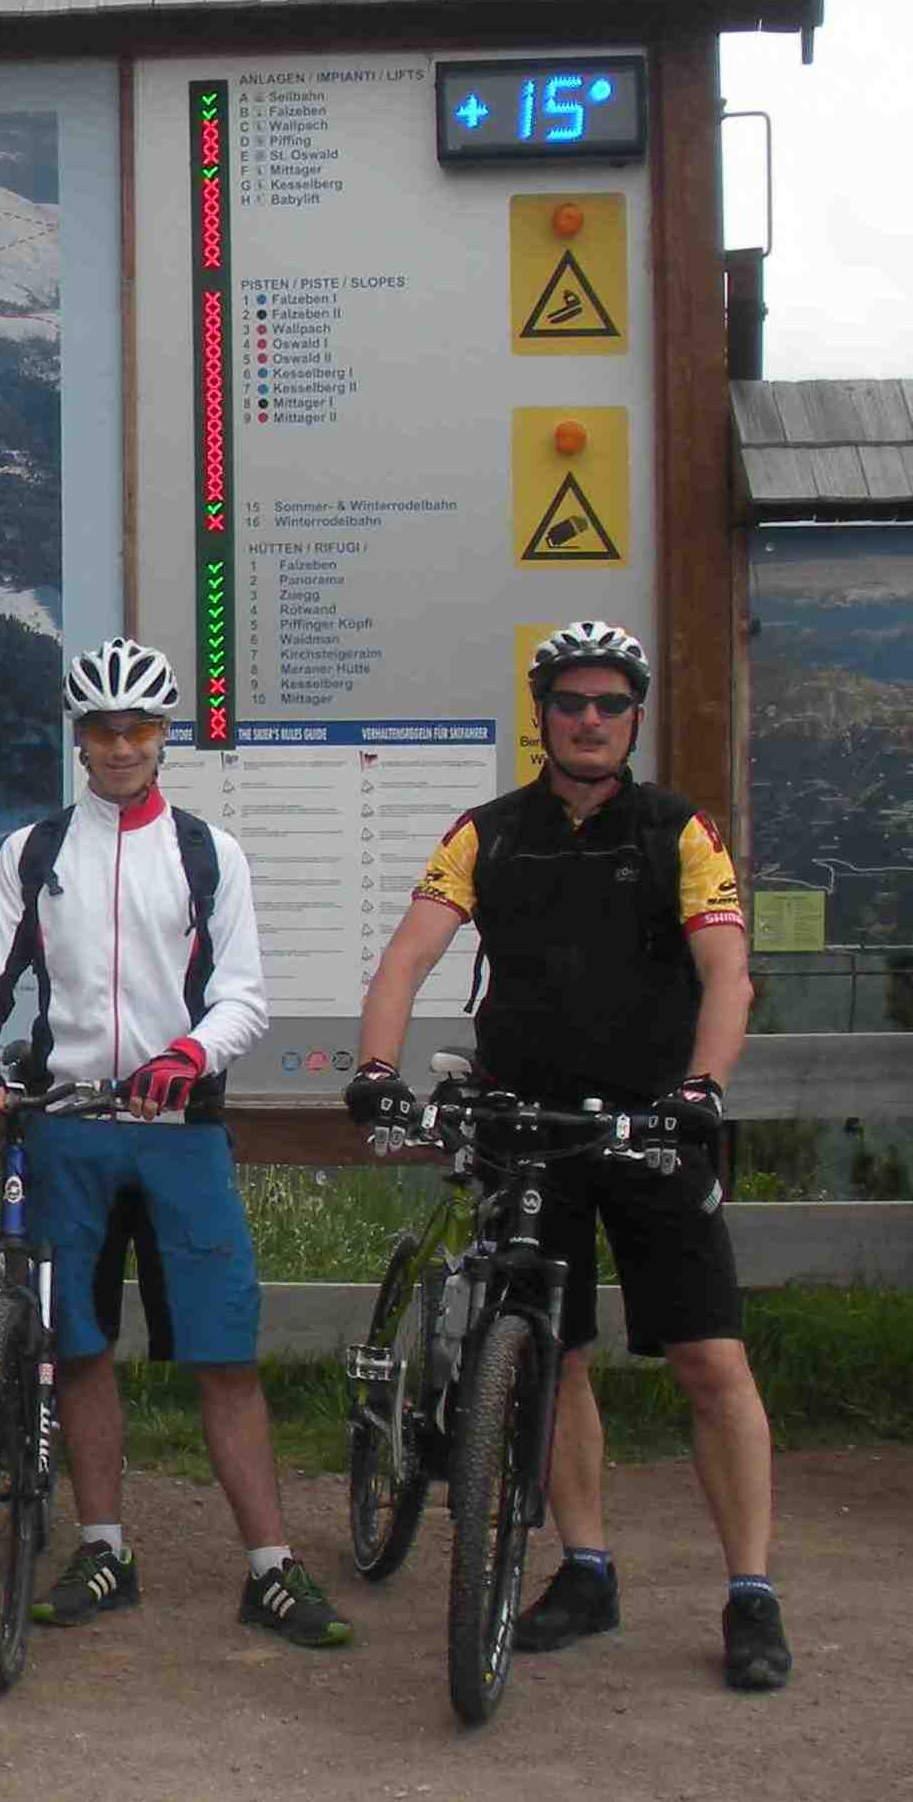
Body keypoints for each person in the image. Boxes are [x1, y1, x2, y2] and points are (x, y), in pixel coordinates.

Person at [348, 619, 787, 1691]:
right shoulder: (486, 831)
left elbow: (726, 969)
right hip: (521, 1127)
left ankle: (750, 1590)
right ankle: (585, 1568)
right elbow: (409, 953)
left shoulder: (678, 829)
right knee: (555, 1354)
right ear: (541, 714)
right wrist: (372, 1063)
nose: (590, 719)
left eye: (610, 703)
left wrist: (703, 1090)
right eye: (570, 702)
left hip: (648, 1126)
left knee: (709, 1360)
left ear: (632, 717)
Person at [0, 636, 352, 1649]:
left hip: (178, 1131)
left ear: (163, 734)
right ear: (78, 737)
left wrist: (190, 1050)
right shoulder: (33, 852)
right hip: (67, 1127)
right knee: (76, 1350)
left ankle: (270, 1564)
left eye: (137, 726)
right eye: (100, 728)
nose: (119, 744)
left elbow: (244, 993)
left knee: (223, 1353)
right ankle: (103, 1545)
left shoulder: (208, 852)